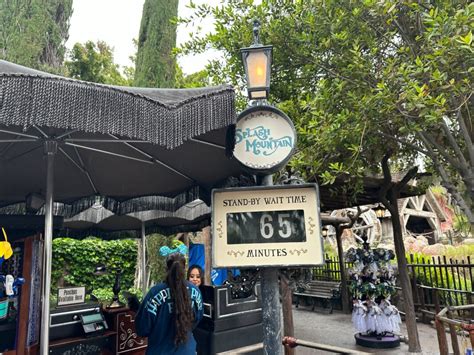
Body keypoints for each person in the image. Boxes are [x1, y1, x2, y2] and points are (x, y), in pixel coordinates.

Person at [135, 252, 203, 354]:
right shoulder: (195, 291)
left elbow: (143, 329)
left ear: (166, 269)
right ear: (184, 269)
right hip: (187, 351)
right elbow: (196, 319)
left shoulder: (154, 293)